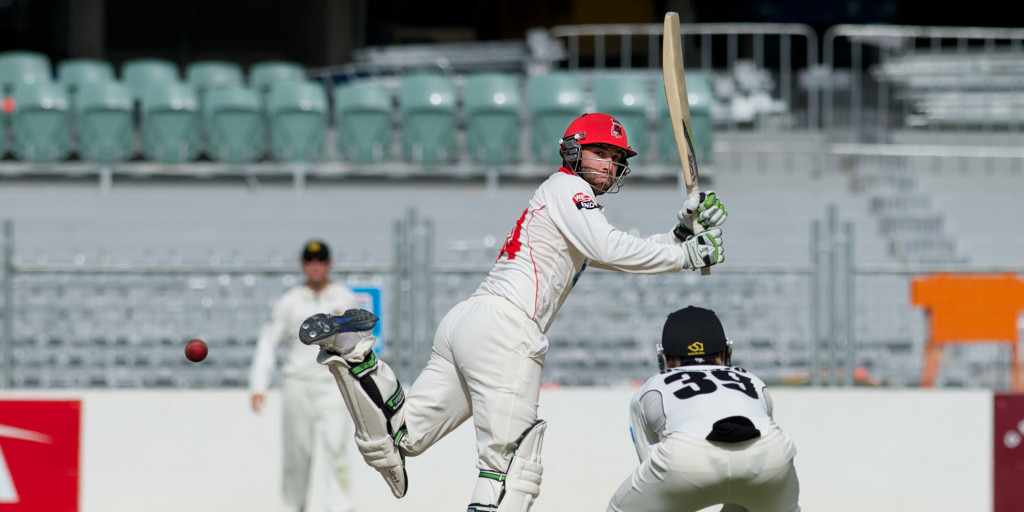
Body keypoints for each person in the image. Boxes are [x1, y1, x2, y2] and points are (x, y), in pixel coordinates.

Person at [298, 113, 728, 512]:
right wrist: (687, 256)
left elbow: (616, 247)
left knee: (403, 437)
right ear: (573, 150)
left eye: (616, 159)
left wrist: (681, 234)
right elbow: (610, 247)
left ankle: (355, 354)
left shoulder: (567, 202)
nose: (610, 166)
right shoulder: (568, 188)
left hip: (467, 323)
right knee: (510, 468)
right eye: (602, 153)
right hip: (506, 330)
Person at [607, 306, 801, 512]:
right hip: (770, 455)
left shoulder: (651, 387)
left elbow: (650, 466)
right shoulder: (752, 379)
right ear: (723, 352)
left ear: (667, 358)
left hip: (685, 457)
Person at [249, 239, 358, 512]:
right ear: (303, 265)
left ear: (329, 263)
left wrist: (361, 381)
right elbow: (267, 342)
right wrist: (258, 385)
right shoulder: (290, 301)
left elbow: (358, 342)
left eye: (320, 260)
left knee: (337, 450)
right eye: (310, 261)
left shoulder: (344, 298)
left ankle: (341, 509)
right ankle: (292, 507)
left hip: (334, 384)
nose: (315, 266)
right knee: (297, 456)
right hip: (297, 383)